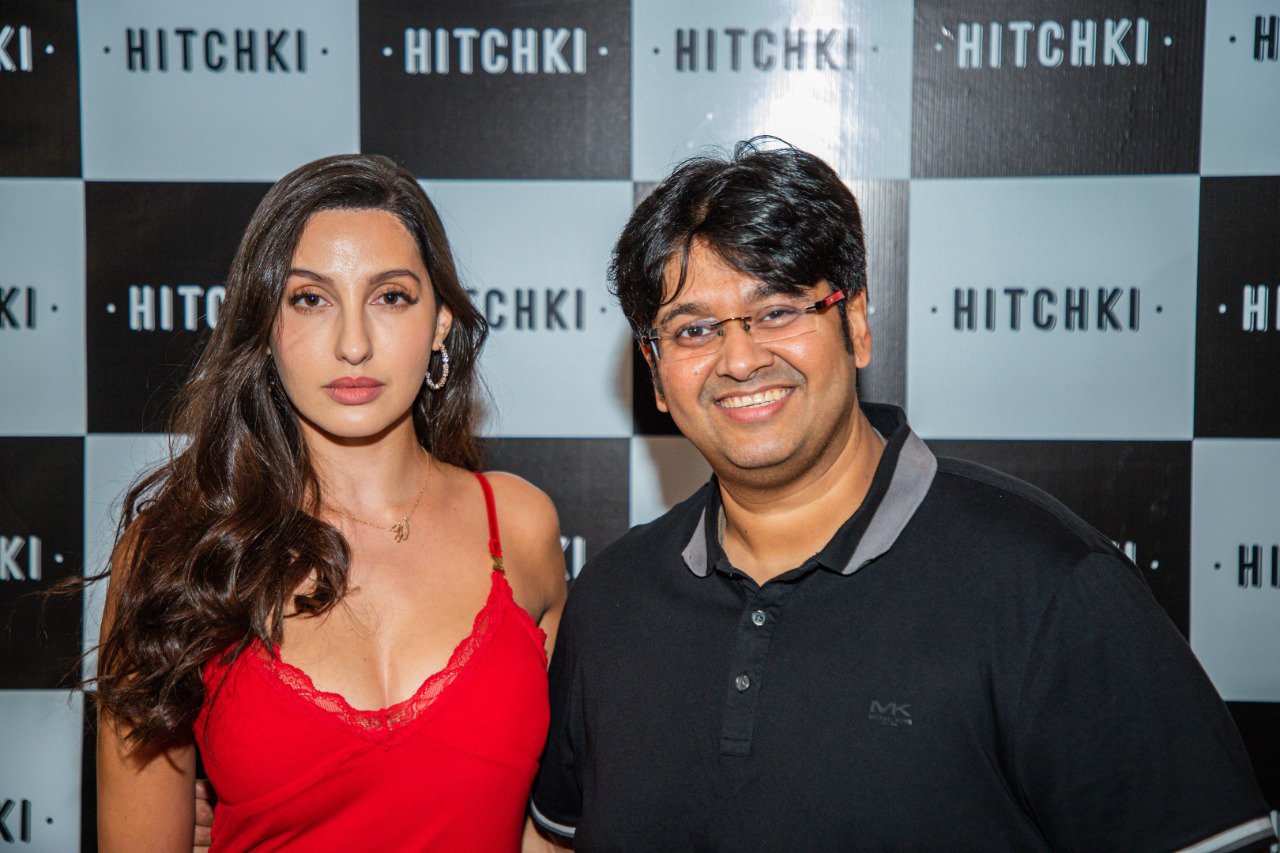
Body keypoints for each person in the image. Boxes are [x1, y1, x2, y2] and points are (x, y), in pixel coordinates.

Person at [528, 140, 1277, 850]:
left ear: (855, 324)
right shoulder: (612, 600)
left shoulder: (1049, 586)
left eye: (778, 311)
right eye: (693, 330)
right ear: (656, 373)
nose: (741, 358)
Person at [95, 153, 566, 851]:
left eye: (391, 297)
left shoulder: (521, 527)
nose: (354, 345)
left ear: (440, 322)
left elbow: (549, 827)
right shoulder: (176, 551)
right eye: (310, 299)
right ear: (264, 325)